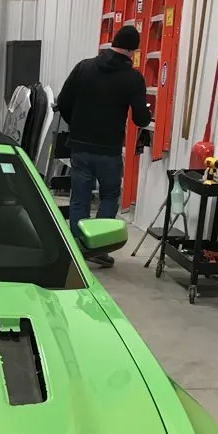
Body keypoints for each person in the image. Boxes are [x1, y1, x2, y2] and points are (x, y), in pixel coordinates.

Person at [56, 26, 151, 267]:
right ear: (133, 51)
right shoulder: (133, 78)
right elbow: (141, 119)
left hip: (80, 147)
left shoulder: (84, 67)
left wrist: (76, 126)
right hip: (108, 150)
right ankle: (98, 247)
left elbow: (63, 101)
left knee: (80, 198)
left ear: (113, 43)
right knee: (109, 195)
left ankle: (77, 246)